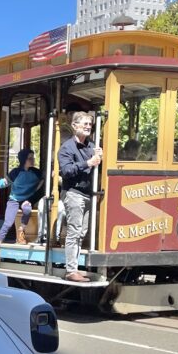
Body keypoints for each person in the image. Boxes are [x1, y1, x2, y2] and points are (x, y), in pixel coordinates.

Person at [58, 111, 102, 282]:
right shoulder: (67, 148)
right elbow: (66, 171)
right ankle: (71, 270)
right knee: (74, 232)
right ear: (75, 126)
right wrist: (88, 163)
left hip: (88, 194)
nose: (88, 127)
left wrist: (100, 156)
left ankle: (75, 266)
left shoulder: (91, 146)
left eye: (90, 125)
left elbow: (97, 167)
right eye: (84, 124)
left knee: (82, 232)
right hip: (74, 193)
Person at [0, 149, 41, 262]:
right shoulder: (15, 172)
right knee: (8, 223)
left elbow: (47, 178)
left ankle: (20, 232)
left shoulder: (36, 172)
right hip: (14, 200)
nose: (32, 160)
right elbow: (1, 184)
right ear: (23, 160)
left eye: (33, 157)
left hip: (27, 200)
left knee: (27, 209)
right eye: (30, 158)